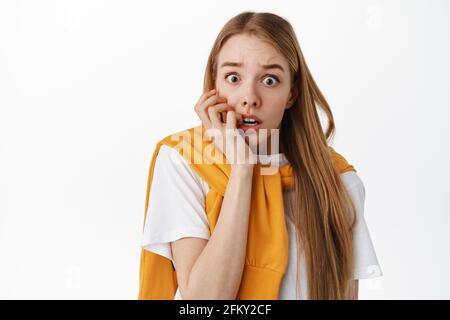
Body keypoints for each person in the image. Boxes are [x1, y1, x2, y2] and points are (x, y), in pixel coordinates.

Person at [138, 11, 382, 300]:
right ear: (214, 87)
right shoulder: (184, 160)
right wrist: (243, 169)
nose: (249, 97)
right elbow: (205, 302)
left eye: (269, 80)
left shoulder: (337, 179)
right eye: (233, 77)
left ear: (291, 93)